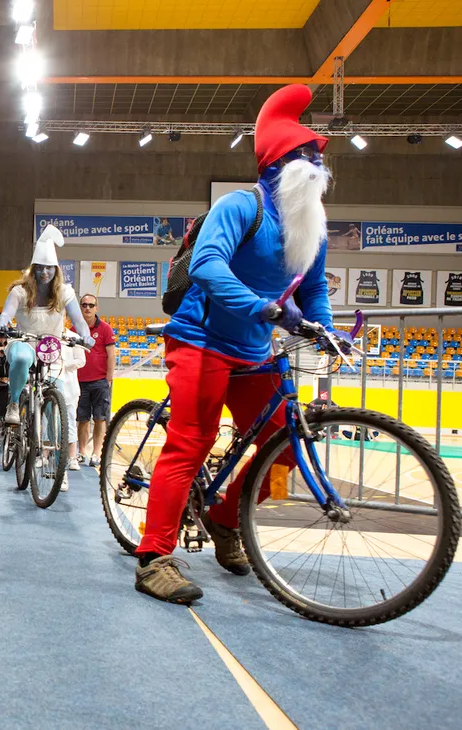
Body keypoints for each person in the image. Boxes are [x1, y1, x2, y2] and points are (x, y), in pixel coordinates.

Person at [134, 84, 351, 604]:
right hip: (202, 338)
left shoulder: (310, 227)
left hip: (253, 349)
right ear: (281, 165)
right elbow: (208, 264)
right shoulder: (241, 205)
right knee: (192, 440)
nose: (318, 171)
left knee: (287, 444)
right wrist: (262, 306)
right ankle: (153, 557)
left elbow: (315, 288)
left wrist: (324, 330)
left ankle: (225, 516)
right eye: (309, 160)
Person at [0, 225, 94, 492]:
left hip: (52, 347)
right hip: (25, 340)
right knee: (18, 359)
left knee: (57, 403)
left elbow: (78, 320)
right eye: (40, 267)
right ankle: (14, 404)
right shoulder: (19, 291)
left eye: (49, 268)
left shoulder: (64, 292)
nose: (45, 272)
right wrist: (4, 324)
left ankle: (59, 469)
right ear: (34, 268)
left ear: (56, 270)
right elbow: (6, 314)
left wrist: (84, 335)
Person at [72, 293, 116, 468]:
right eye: (84, 305)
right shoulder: (74, 330)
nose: (87, 308)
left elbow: (111, 355)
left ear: (96, 308)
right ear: (80, 307)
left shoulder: (105, 329)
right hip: (79, 382)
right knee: (82, 419)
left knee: (100, 419)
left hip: (99, 382)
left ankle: (96, 453)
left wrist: (108, 379)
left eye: (91, 305)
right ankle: (82, 452)